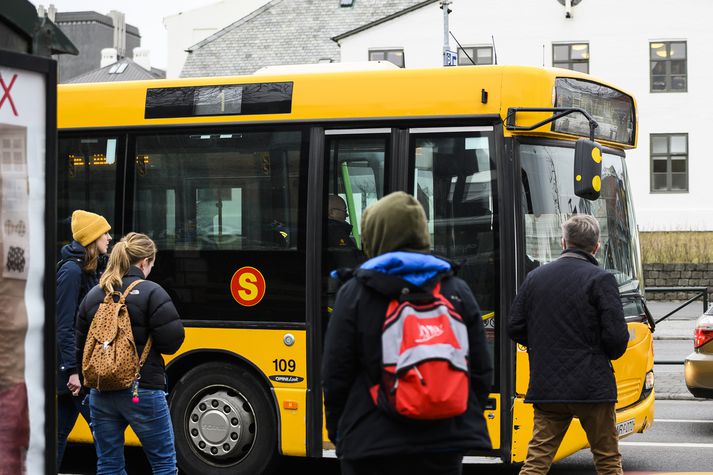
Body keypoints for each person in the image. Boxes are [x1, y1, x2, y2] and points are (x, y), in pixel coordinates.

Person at [321, 191, 492, 475]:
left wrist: (341, 432)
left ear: (376, 235)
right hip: (443, 443)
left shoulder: (355, 292)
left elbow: (336, 374)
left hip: (371, 444)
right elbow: (481, 369)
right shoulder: (456, 289)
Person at [508, 214, 629, 475]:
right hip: (593, 388)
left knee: (537, 460)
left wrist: (545, 346)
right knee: (607, 460)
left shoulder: (535, 278)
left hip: (548, 387)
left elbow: (514, 327)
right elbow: (617, 341)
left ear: (564, 242)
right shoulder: (601, 280)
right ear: (596, 246)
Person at [75, 232, 185, 475]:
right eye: (152, 264)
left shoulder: (94, 295)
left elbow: (81, 347)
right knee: (163, 465)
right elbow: (171, 342)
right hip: (141, 390)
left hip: (101, 392)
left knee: (109, 465)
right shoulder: (152, 292)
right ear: (144, 262)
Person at [56, 209, 112, 468]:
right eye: (105, 233)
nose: (110, 238)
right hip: (76, 370)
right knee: (105, 433)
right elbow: (64, 325)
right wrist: (72, 371)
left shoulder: (90, 269)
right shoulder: (72, 272)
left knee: (57, 433)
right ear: (92, 238)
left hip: (80, 366)